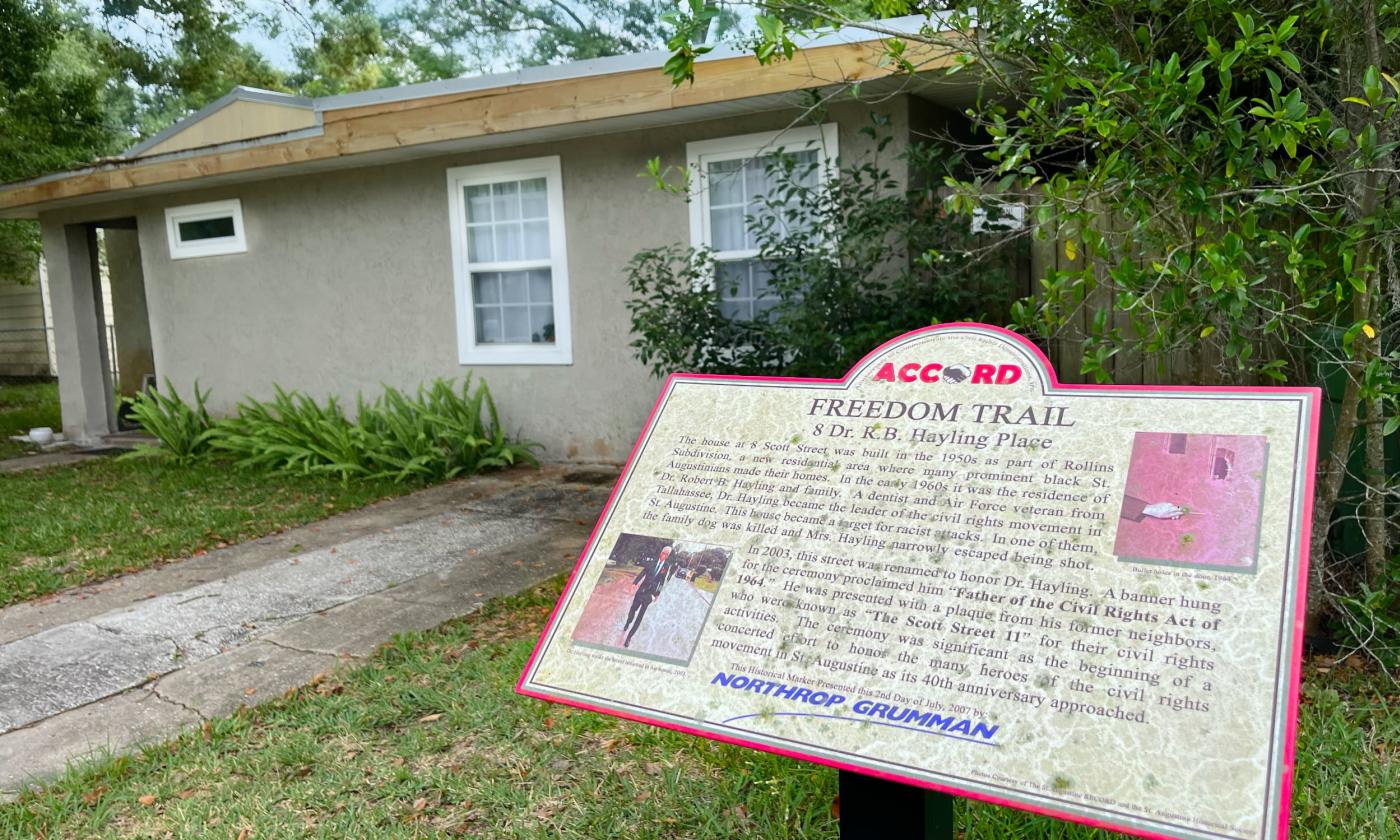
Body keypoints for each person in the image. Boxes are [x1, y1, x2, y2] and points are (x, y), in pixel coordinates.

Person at [623, 546, 672, 647]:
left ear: (668, 556)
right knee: (633, 610)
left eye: (667, 554)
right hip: (641, 592)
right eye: (664, 553)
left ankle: (629, 638)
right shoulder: (652, 562)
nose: (664, 555)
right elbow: (643, 573)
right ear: (661, 552)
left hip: (649, 595)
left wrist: (657, 594)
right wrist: (635, 583)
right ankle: (628, 622)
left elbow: (662, 582)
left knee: (640, 617)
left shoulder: (665, 566)